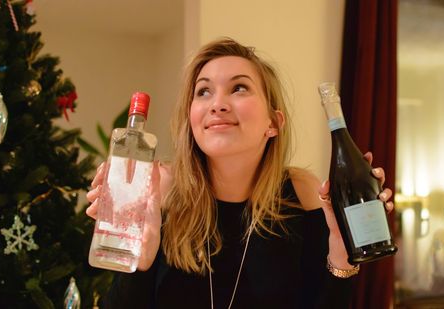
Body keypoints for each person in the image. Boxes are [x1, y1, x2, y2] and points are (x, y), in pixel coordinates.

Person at [86, 37, 394, 309]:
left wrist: (341, 258)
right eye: (204, 91)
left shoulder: (302, 194)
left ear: (274, 123)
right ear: (191, 119)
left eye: (239, 88)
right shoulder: (156, 191)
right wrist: (140, 262)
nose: (217, 104)